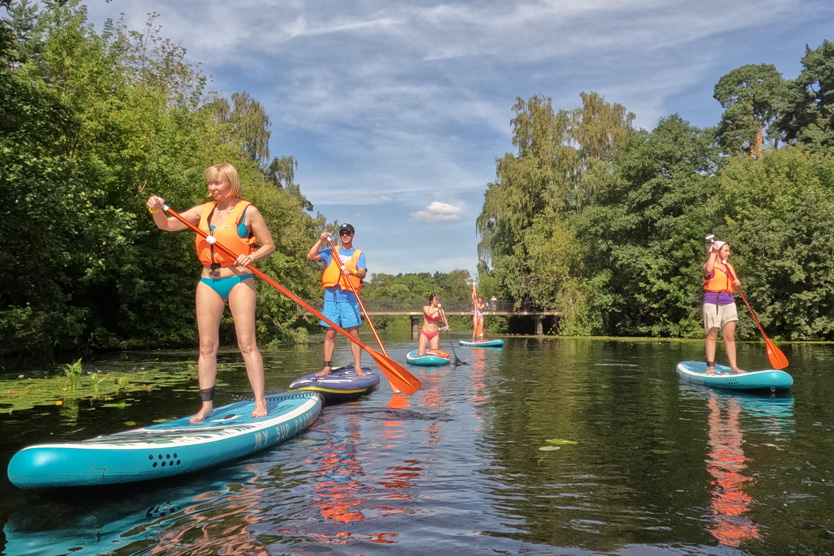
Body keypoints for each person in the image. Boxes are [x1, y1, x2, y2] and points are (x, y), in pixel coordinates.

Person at [146, 163, 276, 423]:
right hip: (208, 280)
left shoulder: (247, 211)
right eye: (210, 183)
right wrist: (154, 209)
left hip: (239, 279)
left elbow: (269, 245)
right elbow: (167, 225)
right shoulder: (203, 210)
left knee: (247, 344)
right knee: (206, 346)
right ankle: (206, 406)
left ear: (231, 184)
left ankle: (260, 401)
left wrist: (251, 257)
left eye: (217, 183)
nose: (212, 187)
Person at [306, 223, 367, 377]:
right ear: (340, 235)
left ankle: (358, 367)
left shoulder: (359, 254)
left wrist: (351, 271)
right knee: (330, 334)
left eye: (348, 233)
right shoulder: (331, 250)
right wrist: (320, 240)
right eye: (342, 233)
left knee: (353, 334)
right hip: (331, 299)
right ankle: (327, 367)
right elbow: (311, 256)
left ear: (353, 235)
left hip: (349, 299)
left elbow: (362, 273)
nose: (345, 235)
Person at [703, 239, 743, 374]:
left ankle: (734, 366)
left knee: (730, 336)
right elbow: (708, 270)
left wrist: (737, 283)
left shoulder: (729, 267)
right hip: (712, 301)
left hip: (728, 301)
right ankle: (711, 366)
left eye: (728, 250)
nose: (728, 253)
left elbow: (735, 286)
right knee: (712, 334)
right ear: (718, 251)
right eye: (726, 250)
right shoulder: (709, 265)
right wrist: (713, 252)